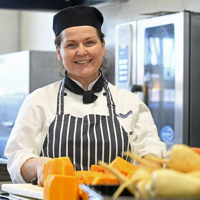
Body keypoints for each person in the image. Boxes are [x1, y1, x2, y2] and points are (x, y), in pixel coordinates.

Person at [4, 5, 166, 186]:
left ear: (102, 46)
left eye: (90, 42)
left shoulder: (129, 102)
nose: (82, 52)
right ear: (59, 52)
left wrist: (145, 170)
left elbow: (152, 149)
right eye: (71, 45)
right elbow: (17, 159)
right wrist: (39, 165)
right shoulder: (38, 101)